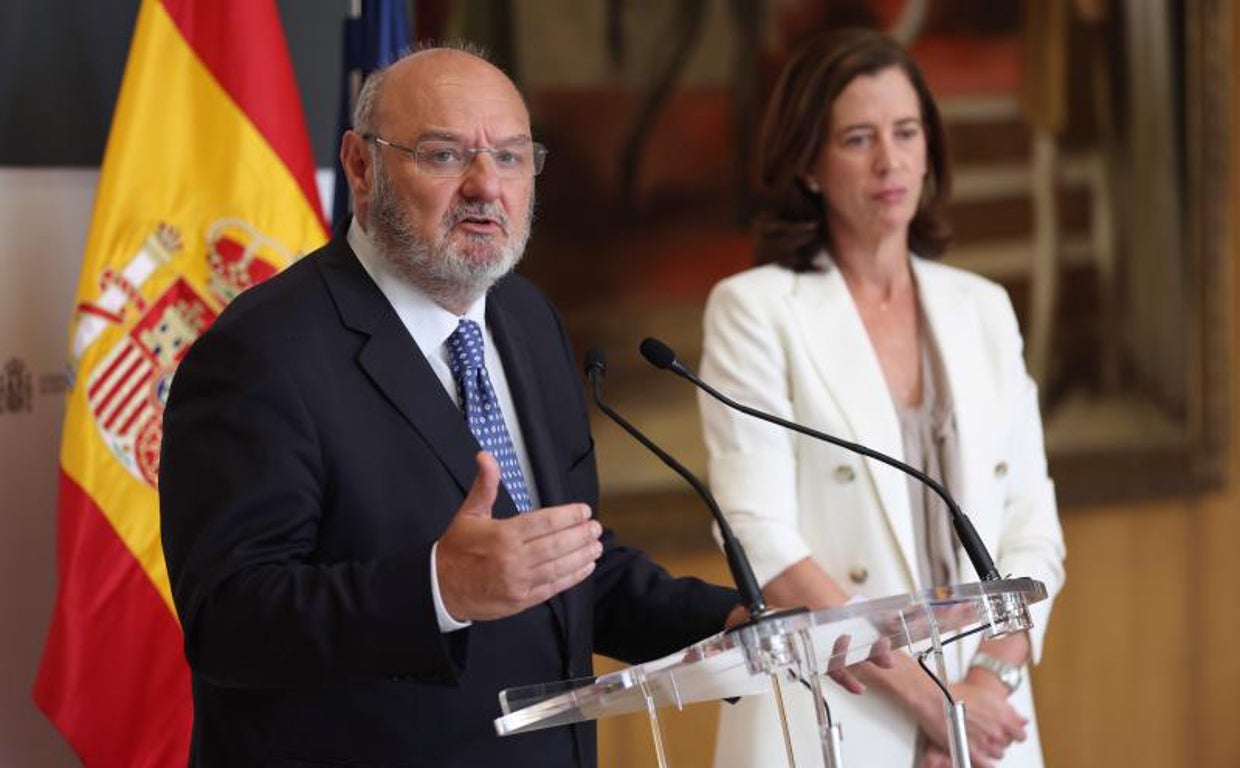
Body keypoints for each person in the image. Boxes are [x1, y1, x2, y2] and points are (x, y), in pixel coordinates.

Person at [159, 44, 745, 768]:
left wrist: (731, 622)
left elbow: (560, 558)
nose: (484, 186)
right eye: (443, 155)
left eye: (509, 156)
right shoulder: (264, 351)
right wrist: (437, 587)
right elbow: (230, 620)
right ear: (361, 165)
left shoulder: (526, 319)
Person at [698, 29, 1067, 768]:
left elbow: (1033, 527)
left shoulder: (982, 307)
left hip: (989, 720)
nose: (889, 160)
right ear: (808, 163)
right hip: (841, 709)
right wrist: (935, 705)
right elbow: (762, 539)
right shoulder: (755, 309)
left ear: (930, 146)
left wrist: (985, 685)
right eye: (858, 138)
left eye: (906, 132)